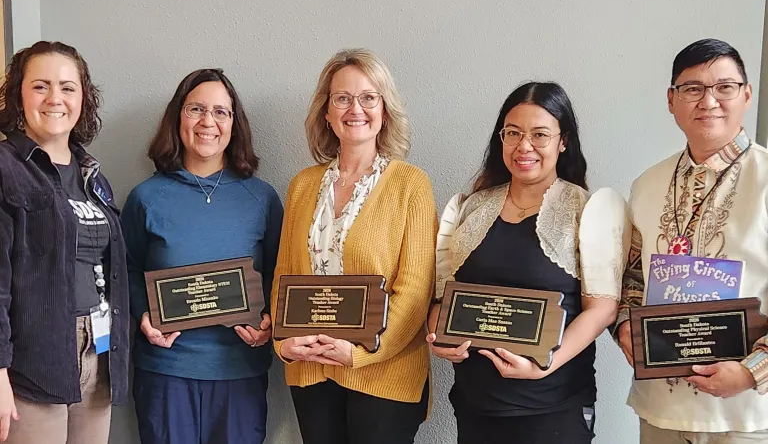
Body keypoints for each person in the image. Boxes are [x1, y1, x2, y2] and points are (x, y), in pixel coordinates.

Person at [428, 82, 629, 444]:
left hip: (553, 407)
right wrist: (438, 339)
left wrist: (544, 365)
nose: (524, 146)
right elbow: (444, 297)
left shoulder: (589, 211)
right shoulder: (470, 208)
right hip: (476, 405)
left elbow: (602, 309)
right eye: (513, 133)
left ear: (562, 140)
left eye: (540, 134)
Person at [271, 48, 437, 444]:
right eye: (342, 98)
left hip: (383, 376)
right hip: (311, 370)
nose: (355, 108)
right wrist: (284, 343)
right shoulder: (302, 186)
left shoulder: (411, 185)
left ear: (385, 110)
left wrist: (361, 354)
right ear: (326, 113)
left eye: (368, 97)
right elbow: (284, 278)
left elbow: (415, 291)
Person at [615, 38, 768, 443]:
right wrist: (624, 327)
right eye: (693, 88)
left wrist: (752, 371)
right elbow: (632, 277)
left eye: (724, 87)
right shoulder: (647, 184)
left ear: (747, 94)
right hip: (661, 409)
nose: (709, 101)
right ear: (671, 99)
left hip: (747, 414)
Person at [121, 68, 283, 444]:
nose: (208, 122)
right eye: (196, 109)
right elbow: (125, 269)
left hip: (239, 372)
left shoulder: (262, 198)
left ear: (234, 124)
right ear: (178, 117)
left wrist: (271, 320)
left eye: (220, 112)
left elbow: (280, 270)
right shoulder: (147, 197)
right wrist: (143, 313)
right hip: (166, 372)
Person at [0, 41, 130, 444]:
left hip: (100, 351)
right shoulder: (5, 168)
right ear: (19, 95)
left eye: (67, 87)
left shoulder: (93, 177)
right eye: (41, 86)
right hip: (33, 361)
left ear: (83, 98)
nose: (55, 98)